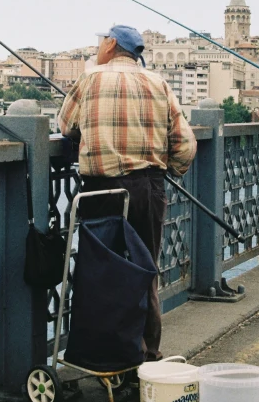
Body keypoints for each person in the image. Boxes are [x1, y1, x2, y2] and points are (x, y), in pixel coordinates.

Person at [58, 24, 197, 361]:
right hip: (147, 189)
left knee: (102, 272)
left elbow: (65, 125)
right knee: (144, 270)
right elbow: (185, 145)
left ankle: (103, 356)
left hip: (101, 191)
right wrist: (166, 168)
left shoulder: (90, 78)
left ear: (111, 44)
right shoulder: (158, 83)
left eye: (101, 42)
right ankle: (147, 356)